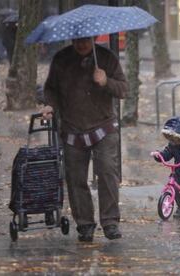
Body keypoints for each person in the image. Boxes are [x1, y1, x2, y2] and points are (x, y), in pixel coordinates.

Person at [41, 37, 128, 241]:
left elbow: (123, 89)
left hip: (103, 126)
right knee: (75, 178)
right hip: (73, 127)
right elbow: (50, 89)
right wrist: (49, 106)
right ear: (71, 39)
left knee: (107, 172)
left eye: (85, 41)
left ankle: (110, 222)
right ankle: (85, 224)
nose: (81, 45)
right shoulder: (61, 59)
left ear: (94, 38)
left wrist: (106, 82)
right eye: (77, 41)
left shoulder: (107, 58)